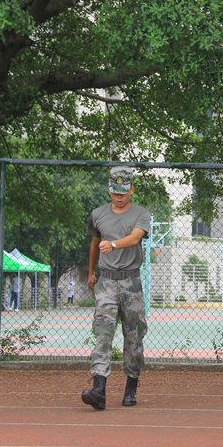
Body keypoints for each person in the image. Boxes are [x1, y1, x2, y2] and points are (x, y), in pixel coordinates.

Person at [81, 166, 150, 410]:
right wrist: (91, 272)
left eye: (123, 192)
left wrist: (113, 244)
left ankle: (131, 386)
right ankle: (99, 389)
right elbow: (95, 244)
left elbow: (135, 237)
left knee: (134, 336)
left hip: (131, 282)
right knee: (103, 331)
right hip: (106, 282)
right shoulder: (98, 214)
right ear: (109, 191)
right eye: (114, 192)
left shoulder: (141, 214)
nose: (119, 197)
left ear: (131, 190)